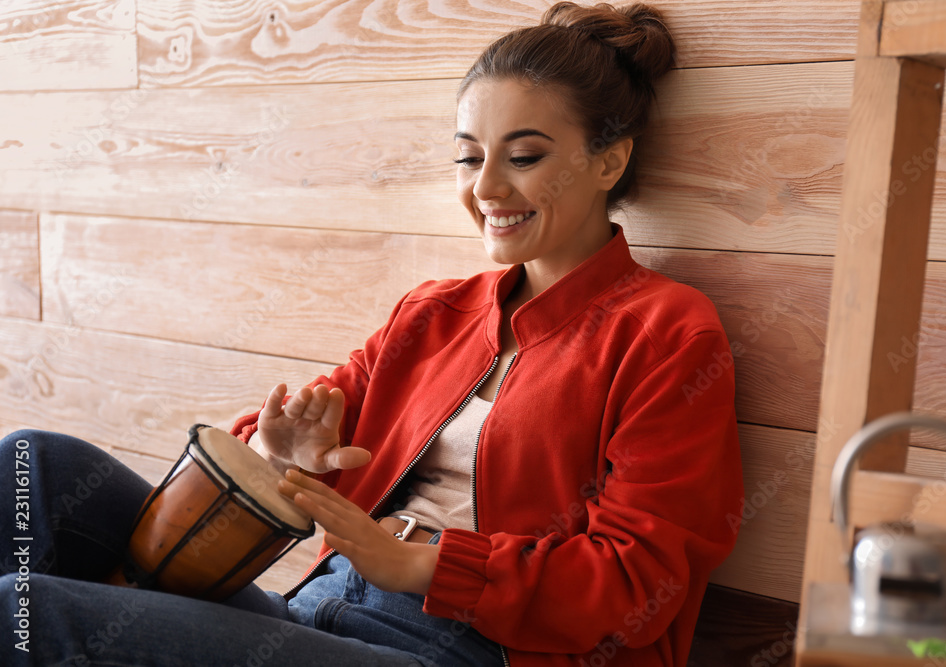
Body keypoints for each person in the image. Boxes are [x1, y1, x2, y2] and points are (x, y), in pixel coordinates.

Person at [0, 2, 742, 665]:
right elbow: (314, 458)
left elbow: (638, 580)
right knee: (32, 464)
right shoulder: (433, 313)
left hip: (470, 649)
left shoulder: (666, 331)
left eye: (523, 157)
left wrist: (419, 563)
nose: (485, 188)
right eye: (467, 155)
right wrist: (279, 457)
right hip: (317, 612)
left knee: (22, 612)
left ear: (609, 159)